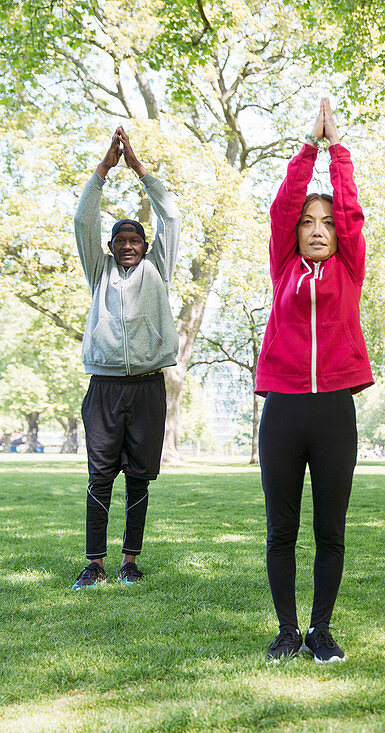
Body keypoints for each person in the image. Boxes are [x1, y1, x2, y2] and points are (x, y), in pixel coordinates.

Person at [255, 98, 373, 663]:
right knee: (282, 529)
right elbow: (282, 207)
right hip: (283, 409)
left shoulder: (349, 267)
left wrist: (338, 150)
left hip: (333, 412)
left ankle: (320, 631)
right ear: (295, 233)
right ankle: (285, 630)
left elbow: (351, 214)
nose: (319, 229)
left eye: (326, 223)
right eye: (309, 222)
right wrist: (309, 149)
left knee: (330, 528)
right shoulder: (283, 266)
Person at [71, 127, 180, 590]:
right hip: (104, 387)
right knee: (100, 478)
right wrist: (103, 171)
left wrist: (138, 169)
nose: (129, 244)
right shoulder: (99, 274)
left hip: (148, 386)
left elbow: (170, 217)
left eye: (136, 238)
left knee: (139, 479)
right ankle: (94, 563)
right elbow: (83, 221)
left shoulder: (158, 270)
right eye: (121, 240)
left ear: (147, 246)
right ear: (111, 247)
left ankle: (129, 561)